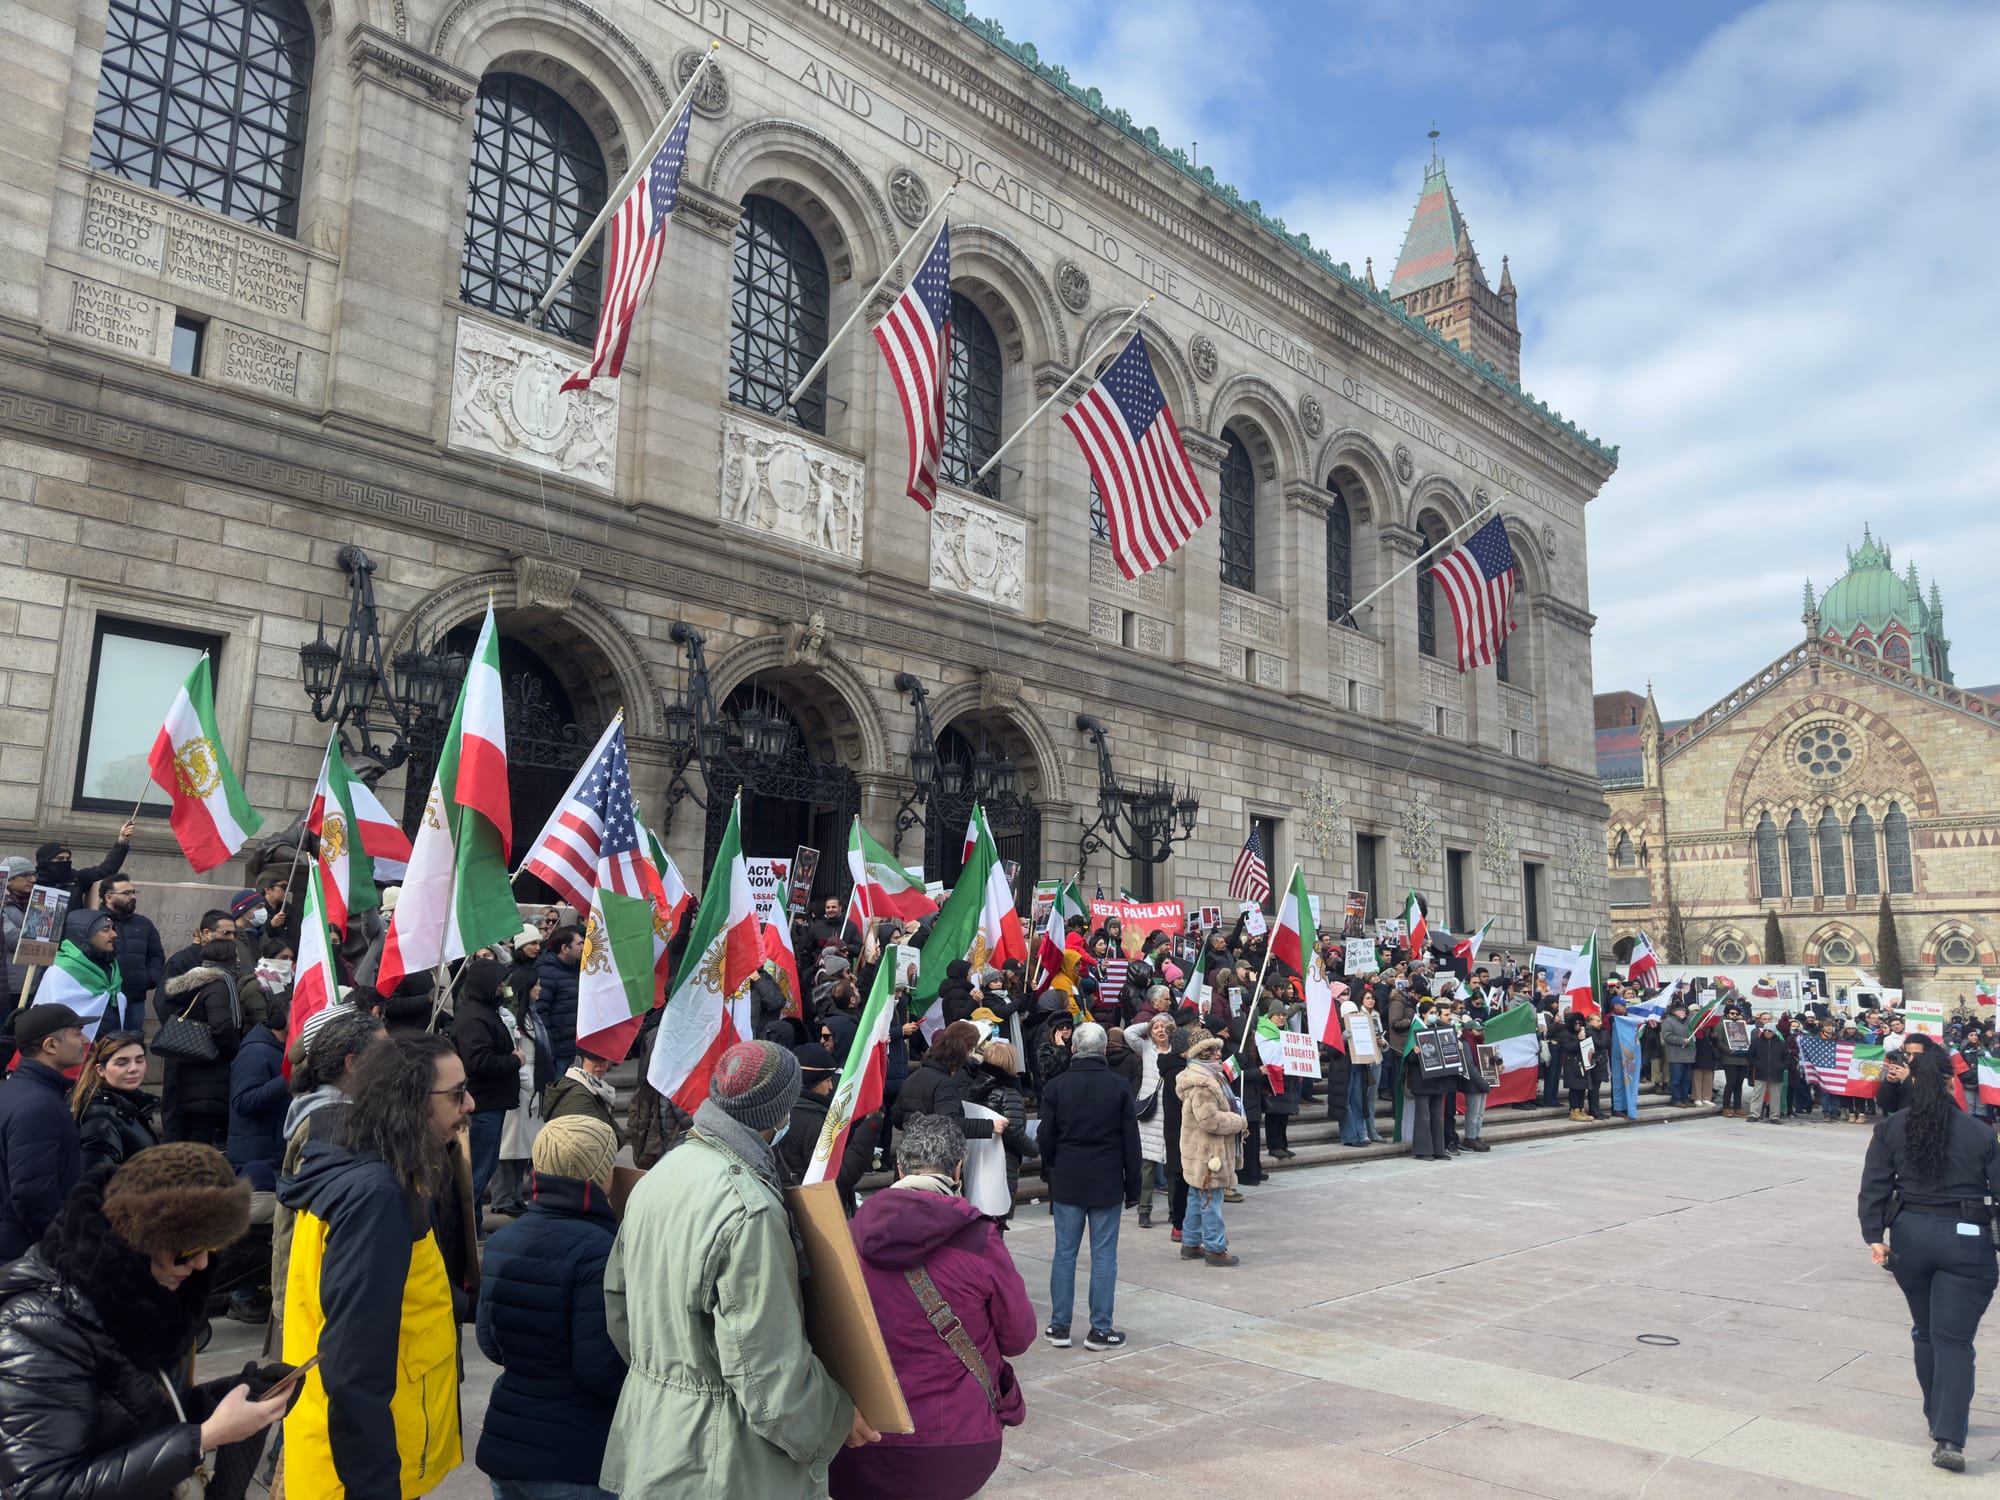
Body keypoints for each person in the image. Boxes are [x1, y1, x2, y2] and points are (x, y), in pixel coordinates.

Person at [602, 1040, 873, 1498]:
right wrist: (835, 1418)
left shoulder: (663, 1172)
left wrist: (672, 1382)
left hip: (654, 1435)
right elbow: (768, 1374)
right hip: (723, 1461)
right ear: (779, 1114)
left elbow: (619, 1308)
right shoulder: (750, 1209)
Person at [0, 1142, 290, 1497]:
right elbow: (39, 1491)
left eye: (210, 1249)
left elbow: (134, 1415)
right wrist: (207, 1437)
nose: (200, 1264)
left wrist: (234, 1397)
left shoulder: (141, 1302)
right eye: (188, 1250)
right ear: (136, 1242)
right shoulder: (38, 1328)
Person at [279, 1033, 472, 1497]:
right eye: (457, 1093)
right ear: (410, 1102)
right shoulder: (376, 1197)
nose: (470, 1105)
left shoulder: (362, 1163)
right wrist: (374, 1488)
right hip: (358, 1474)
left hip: (353, 1457)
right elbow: (354, 1364)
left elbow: (393, 1293)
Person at [829, 1115, 1035, 1500]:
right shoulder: (980, 1239)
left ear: (900, 1168)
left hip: (861, 1441)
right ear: (958, 1169)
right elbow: (1019, 1336)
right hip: (958, 1443)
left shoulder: (847, 1235)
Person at [1858, 1044, 2000, 1473]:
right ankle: (1948, 1436)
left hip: (1910, 1237)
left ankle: (1935, 1410)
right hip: (1965, 1237)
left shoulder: (1893, 1128)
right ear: (1950, 1083)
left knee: (1925, 1330)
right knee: (1954, 1339)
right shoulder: (1980, 1132)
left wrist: (1874, 1236)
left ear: (1914, 1081)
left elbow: (1874, 1186)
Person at [476, 1114, 627, 1500]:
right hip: (575, 1453)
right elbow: (599, 1369)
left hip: (507, 1444)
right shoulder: (599, 1250)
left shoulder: (503, 1240)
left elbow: (489, 1342)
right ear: (598, 1174)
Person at [1036, 1021, 1141, 1350]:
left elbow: (1046, 1137)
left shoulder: (1056, 1087)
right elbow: (1130, 1142)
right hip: (1106, 1179)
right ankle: (1100, 1328)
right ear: (1103, 1050)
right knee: (1103, 1257)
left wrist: (1052, 1168)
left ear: (1073, 1048)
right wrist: (1133, 1186)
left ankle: (1060, 1325)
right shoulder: (1119, 1086)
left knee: (1065, 1254)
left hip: (1068, 1176)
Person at [0, 1002, 89, 1258]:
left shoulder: (16, 1090)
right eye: (77, 1032)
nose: (85, 1040)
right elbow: (32, 1194)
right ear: (50, 1045)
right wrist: (63, 1244)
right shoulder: (39, 1105)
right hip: (26, 1249)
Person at [453, 955, 522, 1226]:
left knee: (485, 1167)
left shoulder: (484, 1013)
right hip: (482, 1105)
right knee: (478, 1171)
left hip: (492, 1102)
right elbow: (478, 1062)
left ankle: (474, 1224)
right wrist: (514, 1060)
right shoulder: (474, 1019)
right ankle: (468, 1229)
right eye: (497, 983)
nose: (502, 988)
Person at [158, 934, 245, 1147]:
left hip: (193, 1069)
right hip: (209, 1070)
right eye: (236, 956)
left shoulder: (201, 982)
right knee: (201, 1135)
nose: (240, 961)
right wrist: (235, 1050)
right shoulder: (218, 986)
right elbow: (221, 1026)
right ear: (226, 959)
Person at [1175, 1032, 1245, 1266]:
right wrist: (1238, 1121)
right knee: (1210, 1202)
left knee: (1197, 1198)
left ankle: (1191, 1242)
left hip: (1201, 1152)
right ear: (1201, 1055)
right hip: (1208, 1154)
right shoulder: (1204, 1083)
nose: (1218, 1054)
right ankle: (1215, 1248)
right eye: (1213, 1051)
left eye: (1217, 1049)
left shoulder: (1207, 1077)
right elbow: (1210, 1120)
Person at [73, 1029, 161, 1172]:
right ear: (101, 1070)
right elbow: (93, 1182)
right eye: (122, 1063)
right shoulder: (101, 1119)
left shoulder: (134, 1105)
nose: (134, 1069)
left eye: (139, 1060)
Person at [99, 874, 164, 1033]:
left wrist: (148, 978)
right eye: (126, 893)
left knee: (132, 1043)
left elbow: (156, 956)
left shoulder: (144, 924)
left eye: (134, 892)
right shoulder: (94, 922)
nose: (133, 897)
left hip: (135, 999)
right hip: (104, 1000)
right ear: (109, 896)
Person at [1124, 1014, 1170, 1227]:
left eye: (1164, 1027)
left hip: (1170, 1112)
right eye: (1155, 1028)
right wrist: (1152, 1020)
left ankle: (1174, 1209)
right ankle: (1144, 1210)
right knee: (1147, 1166)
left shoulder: (1177, 1050)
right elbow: (1128, 1033)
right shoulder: (1145, 1048)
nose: (1160, 1030)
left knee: (1172, 1168)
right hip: (1150, 1113)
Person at [31, 824, 133, 906]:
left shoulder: (77, 878)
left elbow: (106, 869)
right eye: (60, 859)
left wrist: (122, 841)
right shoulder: (32, 881)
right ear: (46, 861)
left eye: (67, 858)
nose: (65, 862)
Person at [543, 1045, 624, 1143]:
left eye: (604, 1059)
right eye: (594, 1059)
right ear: (580, 1061)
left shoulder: (595, 1088)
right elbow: (595, 1140)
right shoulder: (579, 1095)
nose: (600, 1064)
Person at [534, 926, 584, 1078]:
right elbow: (541, 1012)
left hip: (575, 1048)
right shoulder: (546, 972)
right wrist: (549, 1050)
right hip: (559, 1051)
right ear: (565, 948)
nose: (584, 947)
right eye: (579, 944)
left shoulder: (578, 970)